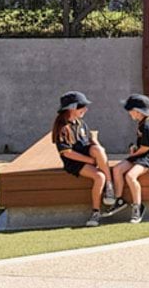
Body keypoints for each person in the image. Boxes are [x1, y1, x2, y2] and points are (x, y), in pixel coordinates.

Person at [53, 91, 114, 227]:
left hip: (85, 154)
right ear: (72, 108)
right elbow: (67, 153)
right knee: (99, 177)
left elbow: (90, 141)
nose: (86, 109)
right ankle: (96, 212)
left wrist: (98, 148)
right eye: (82, 106)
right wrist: (91, 161)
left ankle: (110, 187)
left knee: (98, 150)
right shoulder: (62, 128)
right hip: (74, 162)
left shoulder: (81, 123)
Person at [109, 94, 149, 224]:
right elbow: (142, 146)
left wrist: (132, 156)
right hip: (141, 154)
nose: (129, 113)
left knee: (130, 176)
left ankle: (137, 207)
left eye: (130, 110)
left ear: (137, 112)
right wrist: (135, 150)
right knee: (117, 169)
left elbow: (146, 148)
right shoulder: (143, 122)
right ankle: (119, 200)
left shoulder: (148, 126)